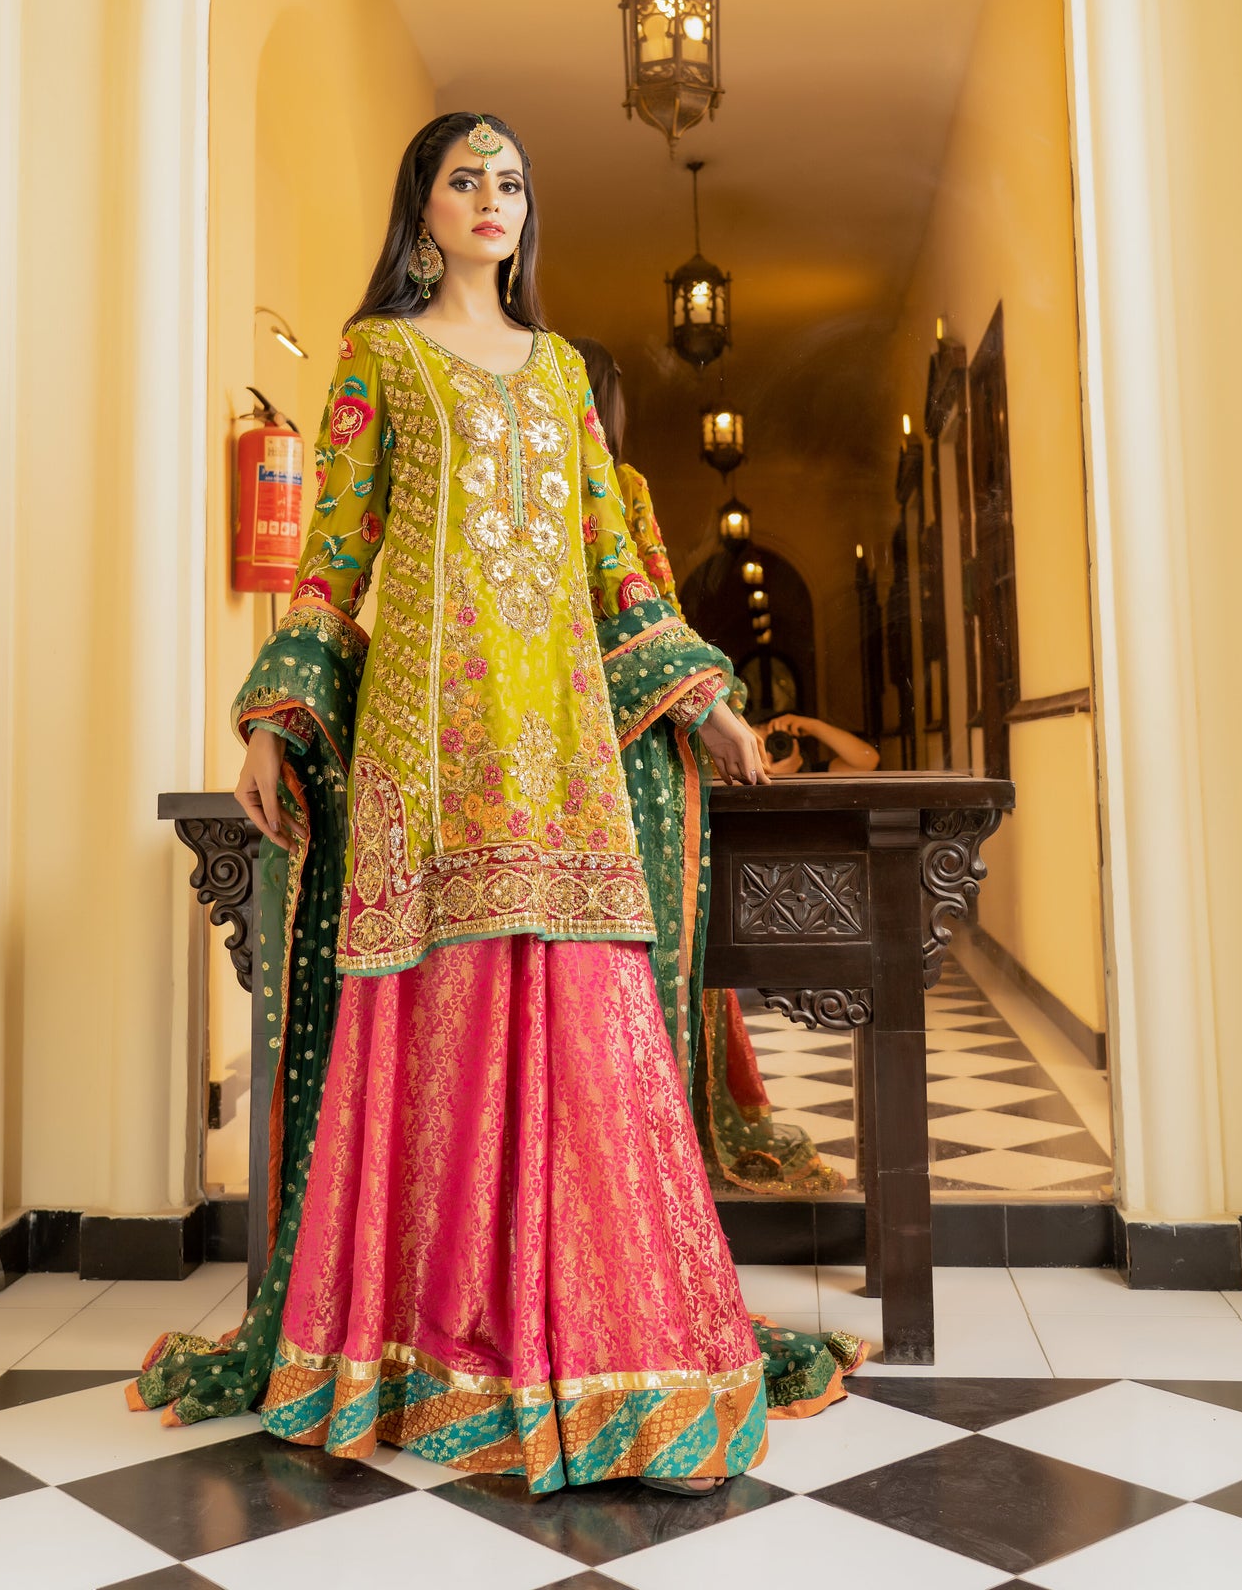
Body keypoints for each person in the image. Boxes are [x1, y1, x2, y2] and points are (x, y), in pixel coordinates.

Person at [130, 114, 776, 1495]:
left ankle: (614, 1356)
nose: (495, 200)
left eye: (512, 183)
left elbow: (618, 563)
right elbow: (335, 547)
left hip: (560, 751)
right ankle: (422, 1349)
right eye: (466, 180)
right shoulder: (379, 354)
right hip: (426, 751)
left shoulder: (558, 374)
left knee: (588, 1026)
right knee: (437, 1032)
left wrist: (707, 699)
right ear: (420, 209)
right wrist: (270, 716)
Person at [570, 339, 853, 1203]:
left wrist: (704, 701)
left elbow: (640, 605)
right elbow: (649, 608)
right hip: (602, 755)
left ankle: (612, 1164)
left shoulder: (612, 490)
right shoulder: (599, 489)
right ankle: (613, 1164)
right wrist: (703, 700)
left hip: (609, 755)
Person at [757, 711, 881, 776]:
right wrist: (770, 777)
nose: (773, 744)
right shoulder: (737, 777)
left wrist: (812, 725)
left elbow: (867, 760)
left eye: (780, 738)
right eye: (760, 727)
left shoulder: (806, 776)